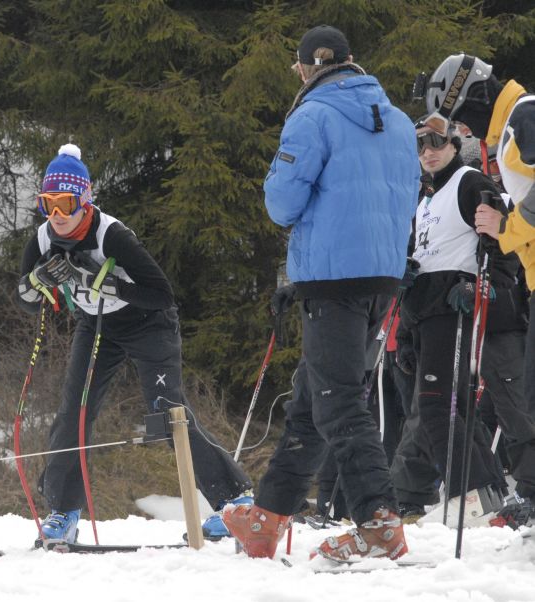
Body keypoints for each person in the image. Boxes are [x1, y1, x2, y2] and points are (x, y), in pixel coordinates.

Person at [220, 25, 419, 560]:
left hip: (331, 278)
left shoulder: (310, 116)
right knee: (313, 398)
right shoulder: (399, 121)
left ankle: (378, 519)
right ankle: (267, 517)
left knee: (337, 402)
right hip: (383, 277)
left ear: (310, 66)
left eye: (299, 67)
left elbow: (281, 205)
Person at [16, 144, 253, 543]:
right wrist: (40, 279)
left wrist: (105, 282)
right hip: (96, 327)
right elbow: (24, 300)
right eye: (47, 204)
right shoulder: (42, 239)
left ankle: (236, 502)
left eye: (65, 203)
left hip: (148, 324)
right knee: (73, 411)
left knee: (168, 413)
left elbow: (162, 294)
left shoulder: (112, 234)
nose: (57, 215)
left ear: (85, 200)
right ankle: (63, 513)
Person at [390, 121, 535, 527]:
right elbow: (423, 261)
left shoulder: (469, 182)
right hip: (428, 312)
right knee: (445, 411)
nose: (428, 151)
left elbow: (505, 247)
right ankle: (483, 494)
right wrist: (404, 324)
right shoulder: (425, 198)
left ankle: (475, 494)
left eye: (437, 142)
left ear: (455, 143)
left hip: (467, 311)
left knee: (457, 409)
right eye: (420, 146)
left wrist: (482, 288)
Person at [421, 53, 535, 526]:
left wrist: (507, 225)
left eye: (463, 118)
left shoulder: (524, 116)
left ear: (478, 96)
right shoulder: (510, 126)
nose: (464, 130)